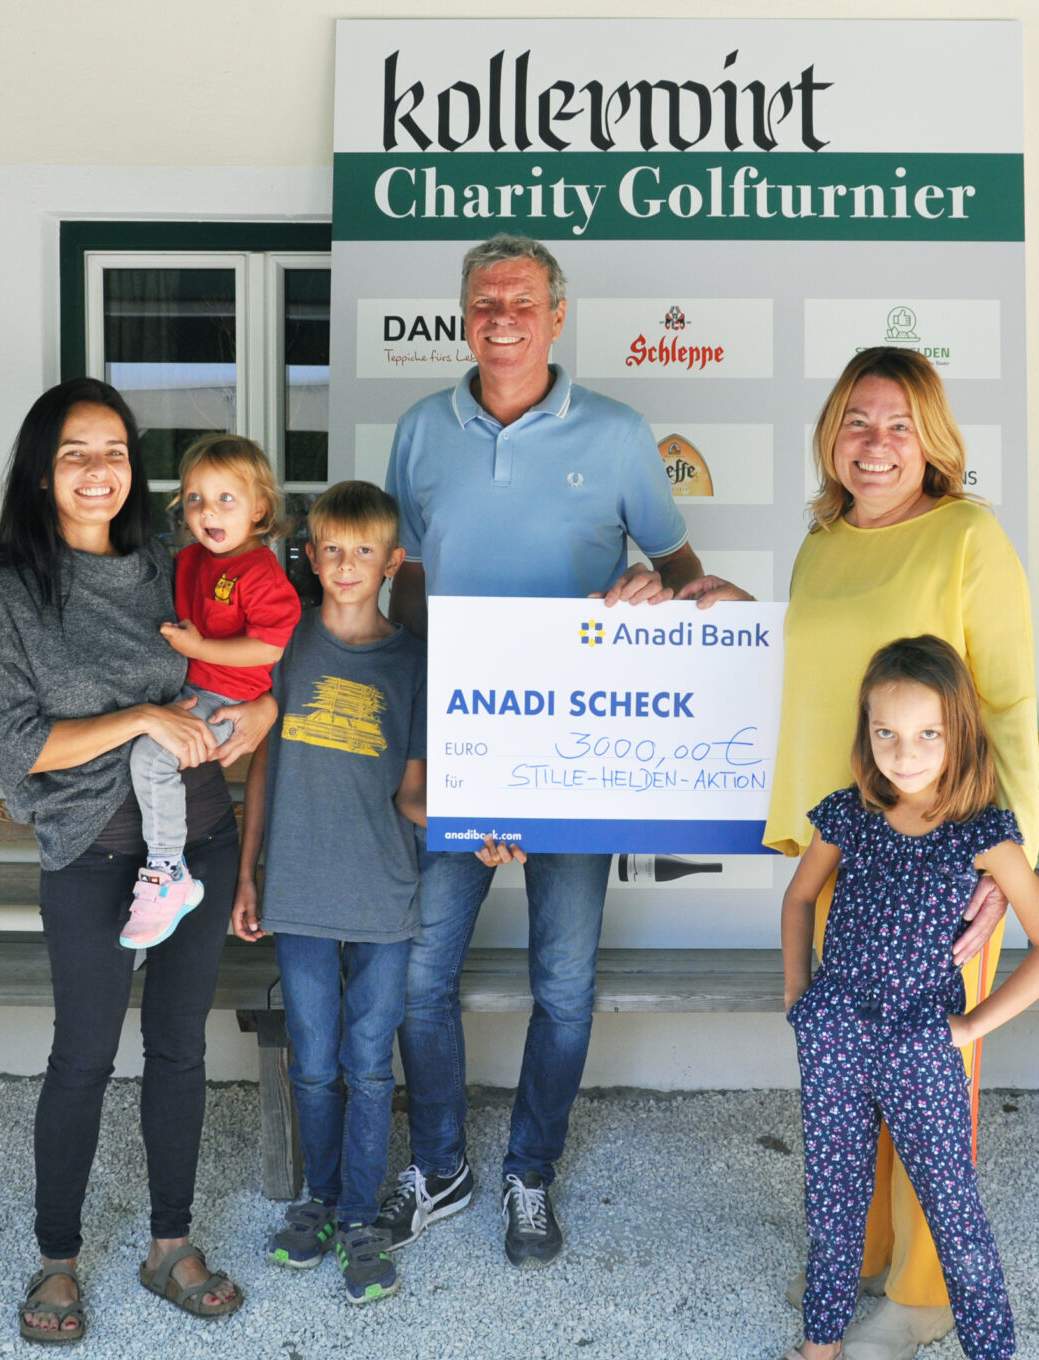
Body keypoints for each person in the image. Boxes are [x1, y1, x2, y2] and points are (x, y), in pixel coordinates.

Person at [381, 233, 708, 1268]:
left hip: (577, 756)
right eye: (484, 302)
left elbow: (681, 570)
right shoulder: (419, 432)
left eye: (522, 301)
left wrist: (655, 593)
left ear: (558, 316)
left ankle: (529, 1169)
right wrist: (435, 720)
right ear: (463, 316)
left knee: (564, 986)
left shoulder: (616, 433)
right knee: (418, 975)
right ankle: (440, 1167)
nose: (503, 318)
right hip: (457, 742)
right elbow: (402, 581)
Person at [0, 378, 275, 1345]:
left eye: (115, 450)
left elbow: (263, 650)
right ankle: (58, 1257)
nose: (99, 469)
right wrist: (139, 716)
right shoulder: (6, 589)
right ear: (41, 471)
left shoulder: (175, 562)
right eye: (74, 452)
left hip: (204, 841)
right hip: (94, 857)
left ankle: (168, 1244)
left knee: (179, 1049)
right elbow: (13, 739)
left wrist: (260, 713)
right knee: (84, 1058)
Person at [765, 347, 1039, 1360]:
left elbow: (1004, 702)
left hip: (947, 870)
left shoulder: (967, 536)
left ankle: (925, 1293)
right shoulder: (819, 542)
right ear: (830, 434)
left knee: (931, 1086)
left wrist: (1006, 871)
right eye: (854, 421)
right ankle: (862, 1254)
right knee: (851, 1080)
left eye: (895, 424)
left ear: (931, 438)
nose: (873, 444)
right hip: (844, 846)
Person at [231, 481, 507, 1305]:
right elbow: (262, 766)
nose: (344, 565)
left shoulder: (414, 662)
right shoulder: (283, 646)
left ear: (393, 563)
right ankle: (316, 1202)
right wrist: (247, 874)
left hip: (387, 897)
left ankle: (359, 1215)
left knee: (368, 1066)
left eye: (363, 552)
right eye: (330, 550)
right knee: (313, 1065)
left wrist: (478, 830)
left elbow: (414, 796)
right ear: (309, 556)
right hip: (302, 894)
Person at [778, 637, 1039, 1360]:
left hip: (922, 1045)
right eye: (887, 734)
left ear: (958, 734)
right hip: (837, 1034)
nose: (904, 755)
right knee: (833, 1198)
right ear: (867, 731)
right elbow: (799, 897)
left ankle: (991, 1351)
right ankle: (821, 1346)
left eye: (926, 736)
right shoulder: (850, 814)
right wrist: (800, 1002)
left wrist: (967, 1028)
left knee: (954, 1212)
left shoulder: (981, 835)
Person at [122, 434, 301, 950]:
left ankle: (167, 872)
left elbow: (268, 648)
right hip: (192, 688)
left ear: (259, 509)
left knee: (152, 758)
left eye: (227, 499)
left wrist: (201, 645)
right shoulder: (193, 559)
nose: (208, 511)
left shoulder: (258, 569)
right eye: (196, 498)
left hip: (224, 699)